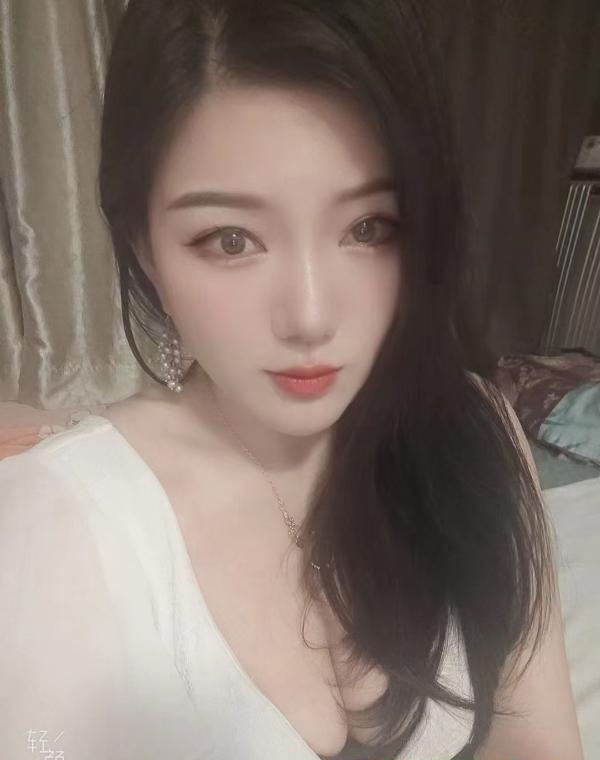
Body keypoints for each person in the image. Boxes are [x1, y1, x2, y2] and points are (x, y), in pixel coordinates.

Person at [0, 1, 584, 759]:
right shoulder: (58, 523)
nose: (310, 316)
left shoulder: (476, 434)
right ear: (142, 246)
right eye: (231, 240)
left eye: (368, 228)